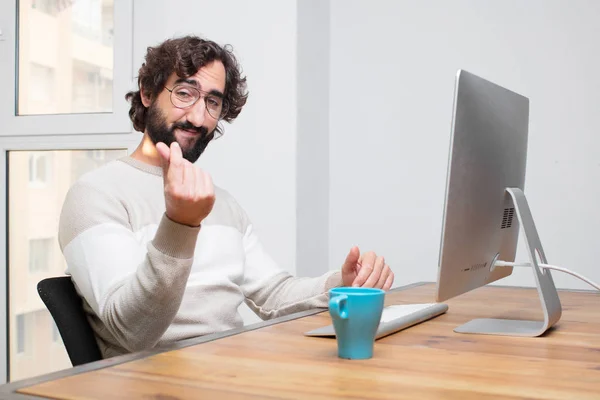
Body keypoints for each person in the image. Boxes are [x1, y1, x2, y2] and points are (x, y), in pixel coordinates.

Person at [58, 35, 394, 358]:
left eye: (212, 102)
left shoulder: (222, 203)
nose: (198, 117)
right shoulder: (95, 195)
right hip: (152, 383)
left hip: (232, 369)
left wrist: (340, 284)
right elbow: (133, 331)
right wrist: (180, 225)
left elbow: (272, 296)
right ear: (147, 93)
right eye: (185, 93)